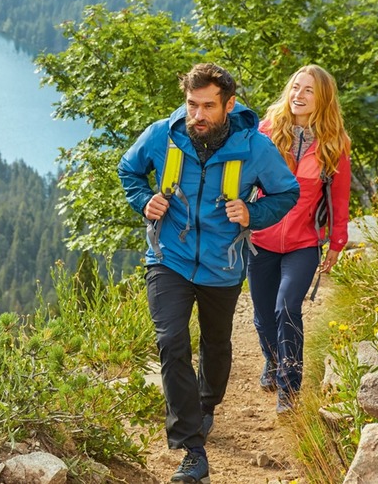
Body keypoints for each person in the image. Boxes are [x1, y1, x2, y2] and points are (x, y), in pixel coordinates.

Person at [118, 63, 299, 484]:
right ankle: (191, 449)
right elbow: (128, 170)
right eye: (191, 104)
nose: (197, 116)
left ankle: (207, 405)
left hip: (223, 264)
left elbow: (287, 191)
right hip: (169, 258)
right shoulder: (163, 134)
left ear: (228, 105)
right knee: (172, 342)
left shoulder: (254, 146)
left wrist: (253, 212)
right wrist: (144, 199)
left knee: (216, 344)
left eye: (207, 107)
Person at [247, 64, 351, 414]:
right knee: (262, 316)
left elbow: (339, 198)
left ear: (322, 98)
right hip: (260, 239)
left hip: (304, 243)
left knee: (287, 308)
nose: (299, 95)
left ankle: (289, 391)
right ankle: (273, 361)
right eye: (295, 87)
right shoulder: (264, 133)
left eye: (308, 90)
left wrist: (337, 243)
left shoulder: (335, 144)